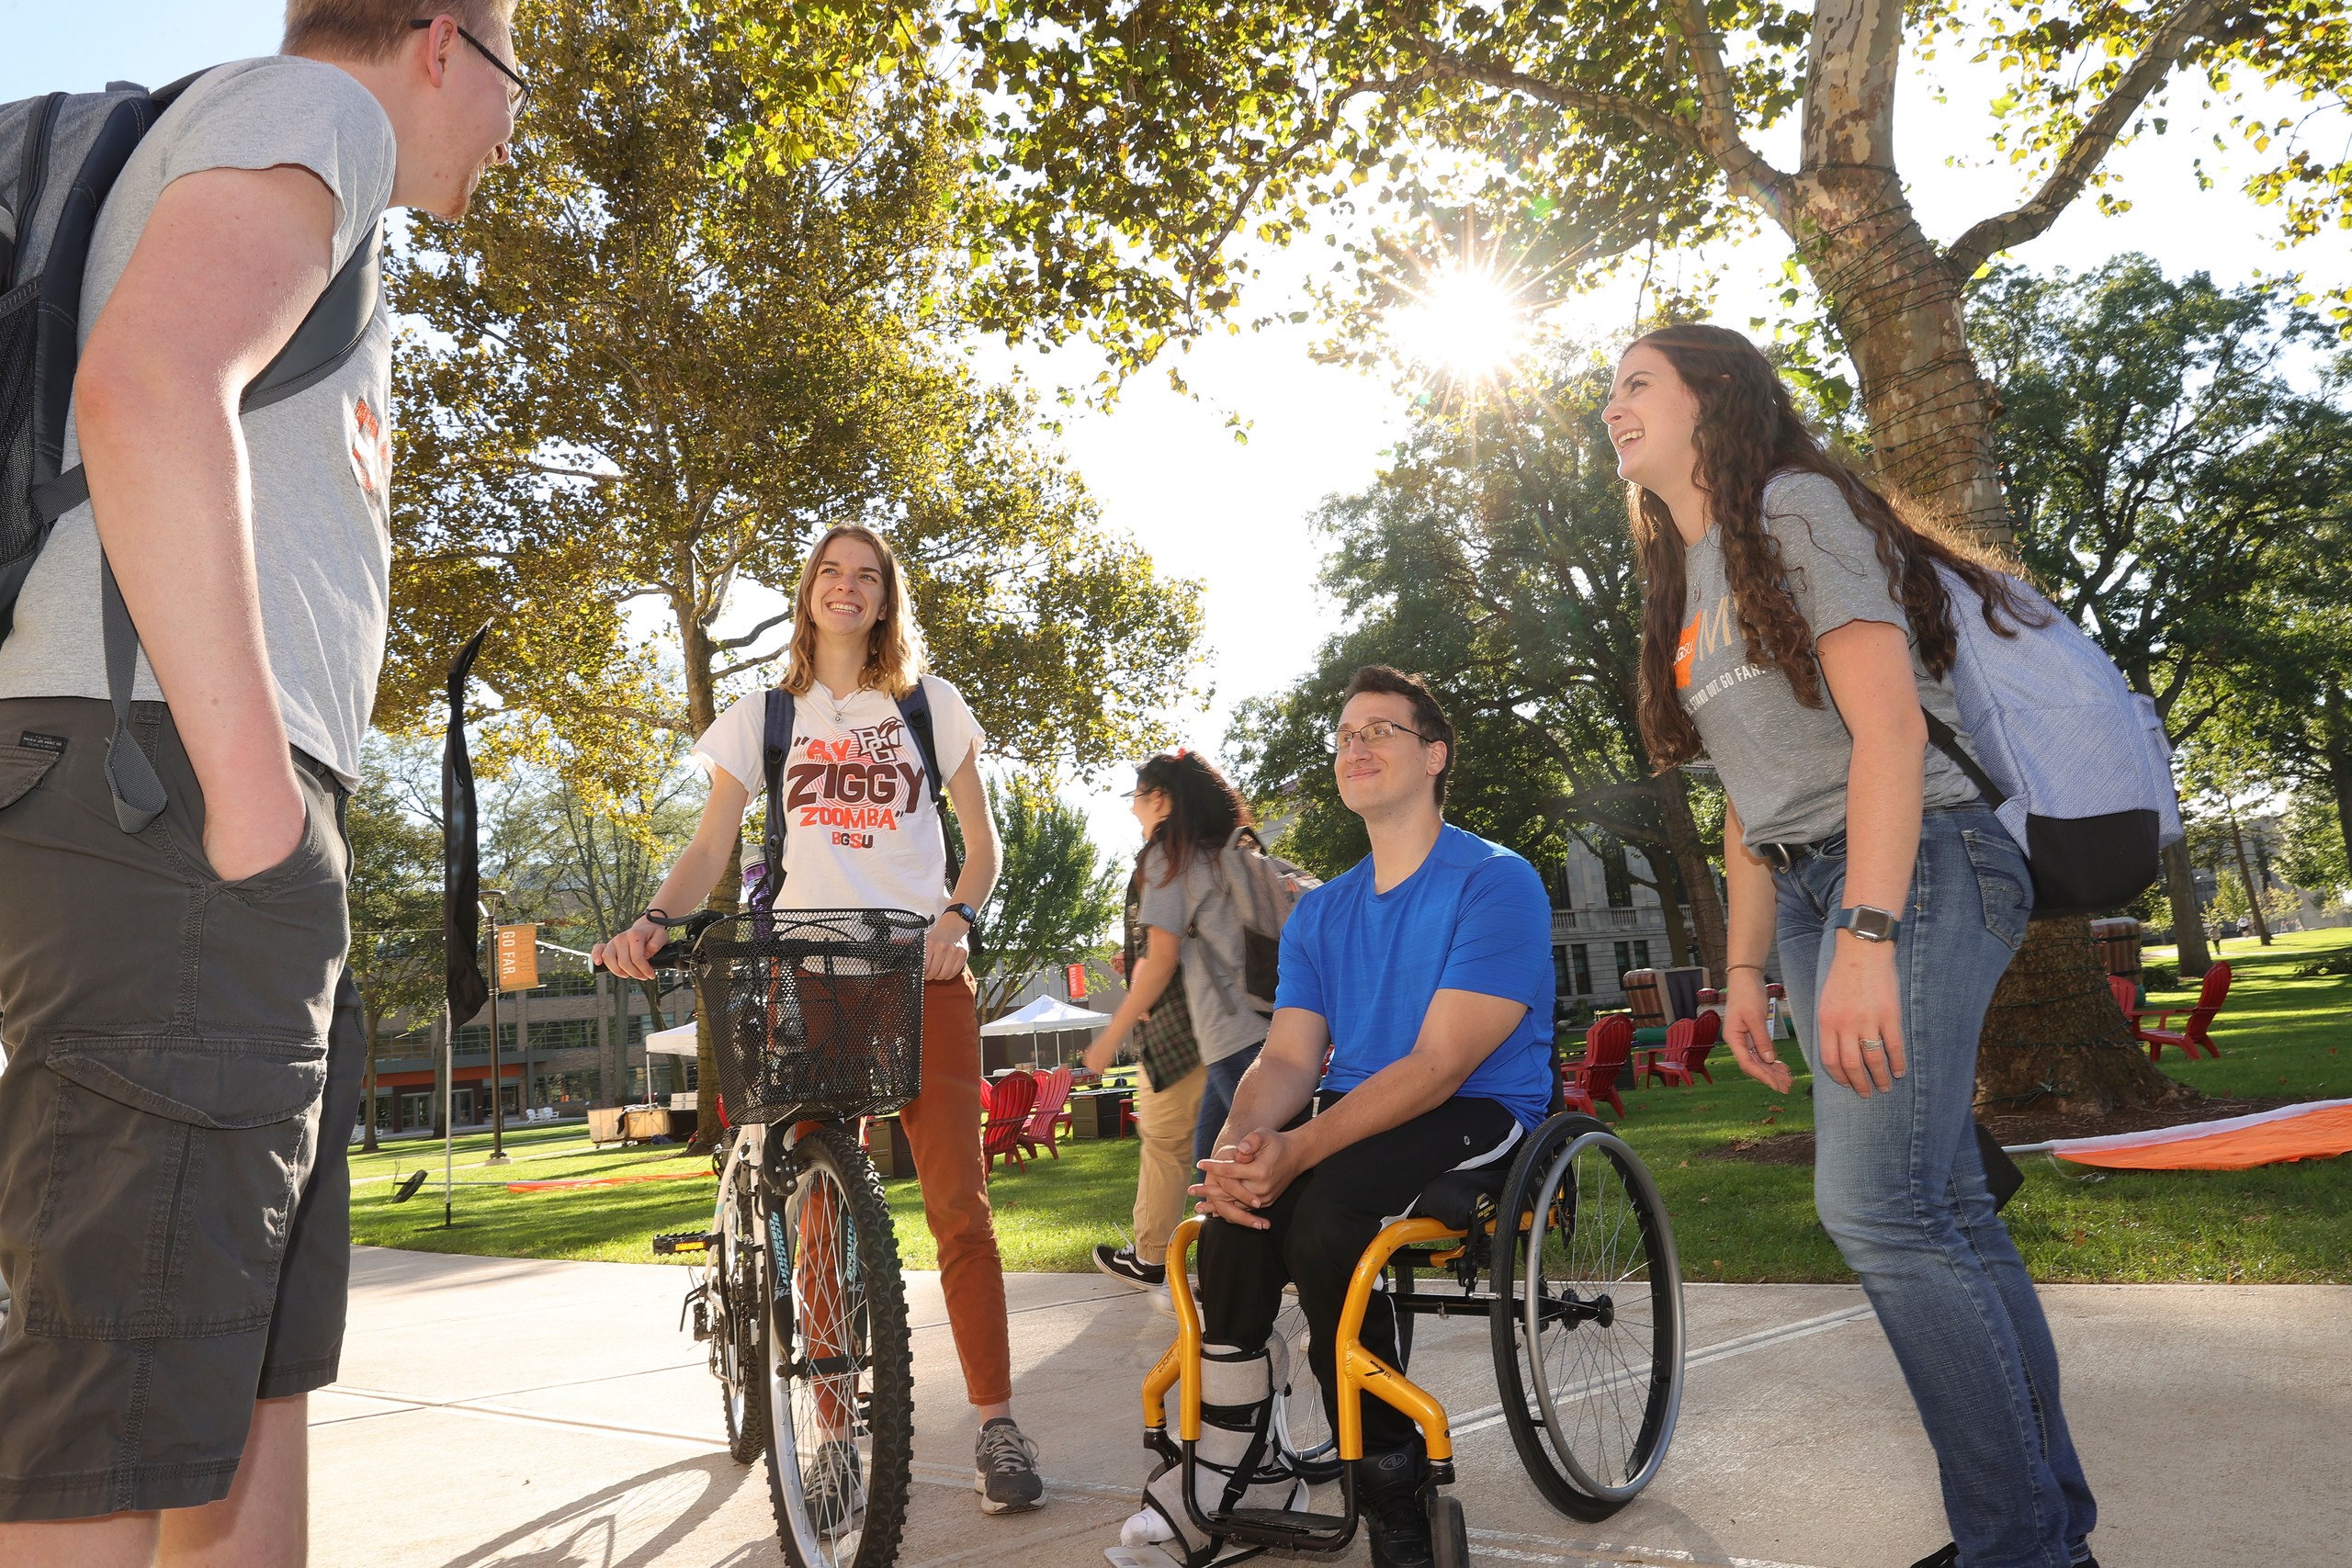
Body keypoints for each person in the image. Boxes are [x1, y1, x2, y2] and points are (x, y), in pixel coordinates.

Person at [0, 7, 516, 1561]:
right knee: (106, 1426)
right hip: (174, 809)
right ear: (444, 46)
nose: (513, 128)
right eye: (518, 80)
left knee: (233, 1373)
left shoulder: (288, 164)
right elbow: (148, 383)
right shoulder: (319, 117)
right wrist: (252, 806)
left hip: (183, 817)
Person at [1605, 323, 2099, 1568]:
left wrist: (1872, 932)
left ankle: (2021, 1545)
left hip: (1920, 860)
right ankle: (2038, 1531)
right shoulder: (1691, 576)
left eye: (1635, 382)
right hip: (1830, 882)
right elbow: (1751, 805)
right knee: (1941, 1213)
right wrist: (1744, 974)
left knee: (1880, 1207)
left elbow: (1887, 733)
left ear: (1713, 395)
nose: (1610, 405)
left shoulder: (1795, 504)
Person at [594, 524, 1045, 1514]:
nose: (846, 589)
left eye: (866, 577)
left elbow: (984, 846)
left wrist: (959, 919)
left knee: (960, 1210)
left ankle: (997, 1422)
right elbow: (712, 841)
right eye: (830, 574)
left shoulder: (931, 707)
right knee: (818, 1211)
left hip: (921, 976)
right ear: (807, 594)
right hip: (808, 979)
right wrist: (653, 918)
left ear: (886, 599)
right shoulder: (765, 716)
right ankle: (832, 1435)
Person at [1118, 666, 1555, 1568]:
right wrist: (1245, 1149)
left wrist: (1302, 1146)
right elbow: (1286, 1059)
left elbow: (1438, 1067)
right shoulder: (1321, 914)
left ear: (1434, 756)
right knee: (1236, 1217)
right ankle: (1236, 1467)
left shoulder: (1493, 882)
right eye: (1345, 733)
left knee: (1324, 1219)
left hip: (1475, 1108)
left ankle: (1392, 1483)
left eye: (1379, 730)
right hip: (1359, 1105)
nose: (1354, 745)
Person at [1080, 752, 1260, 1303]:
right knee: (1215, 1161)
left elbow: (1160, 962)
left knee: (1244, 1161)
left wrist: (1108, 1038)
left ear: (1160, 799)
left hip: (1224, 1035)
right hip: (1267, 1026)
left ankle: (1256, 1270)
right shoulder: (1234, 850)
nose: (1133, 807)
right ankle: (1222, 1277)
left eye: (1136, 796)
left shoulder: (1169, 856)